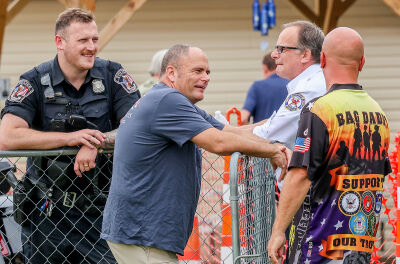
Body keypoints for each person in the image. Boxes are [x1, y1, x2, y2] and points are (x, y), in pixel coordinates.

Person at [101, 44, 291, 264]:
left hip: (143, 233)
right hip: (140, 233)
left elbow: (232, 131)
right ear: (171, 72)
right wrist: (272, 150)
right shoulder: (167, 101)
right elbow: (218, 142)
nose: (206, 77)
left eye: (208, 72)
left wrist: (281, 127)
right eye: (198, 71)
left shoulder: (173, 100)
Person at [0, 8, 140, 263]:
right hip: (46, 214)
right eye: (83, 40)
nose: (91, 47)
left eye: (94, 39)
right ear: (59, 42)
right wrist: (70, 139)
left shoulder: (113, 76)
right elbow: (7, 136)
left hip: (100, 212)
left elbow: (138, 126)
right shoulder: (33, 81)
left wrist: (96, 142)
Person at [267, 27, 391, 264]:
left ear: (322, 59)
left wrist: (278, 231)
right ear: (362, 63)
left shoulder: (319, 110)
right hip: (359, 248)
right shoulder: (378, 114)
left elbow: (300, 175)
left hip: (318, 246)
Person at [247, 21, 326, 188]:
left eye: (282, 49)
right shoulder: (311, 82)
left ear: (305, 55)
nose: (274, 54)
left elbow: (266, 135)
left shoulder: (308, 89)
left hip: (310, 198)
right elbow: (271, 126)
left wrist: (217, 134)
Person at [241, 52, 289, 125]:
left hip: (261, 134)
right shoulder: (292, 85)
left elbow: (243, 118)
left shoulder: (257, 86)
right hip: (287, 134)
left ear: (265, 68)